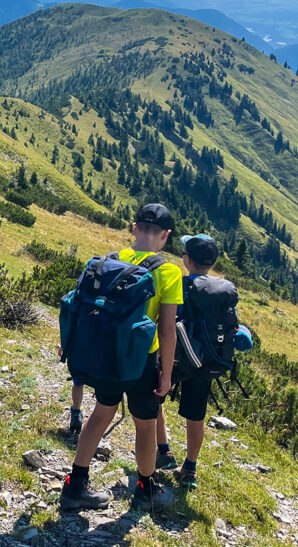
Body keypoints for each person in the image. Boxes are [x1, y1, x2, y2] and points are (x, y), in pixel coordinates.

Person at [60, 203, 182, 511]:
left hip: (106, 355)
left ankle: (76, 485)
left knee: (101, 414)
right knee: (145, 426)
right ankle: (145, 489)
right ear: (165, 235)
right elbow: (167, 331)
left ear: (133, 228)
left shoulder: (109, 261)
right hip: (142, 362)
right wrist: (166, 374)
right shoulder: (168, 272)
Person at [154, 233, 243, 490]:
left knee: (155, 397)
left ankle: (164, 451)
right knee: (196, 416)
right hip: (206, 361)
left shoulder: (180, 285)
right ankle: (190, 468)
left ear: (187, 259)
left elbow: (167, 323)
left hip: (177, 357)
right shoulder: (223, 289)